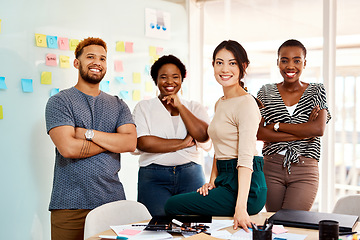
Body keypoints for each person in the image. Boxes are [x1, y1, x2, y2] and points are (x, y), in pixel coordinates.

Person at [164, 40, 267, 232]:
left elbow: (246, 159)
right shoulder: (221, 102)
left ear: (243, 67)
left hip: (247, 187)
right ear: (213, 66)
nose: (225, 68)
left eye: (232, 63)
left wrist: (241, 208)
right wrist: (212, 181)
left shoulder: (246, 104)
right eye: (219, 62)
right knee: (178, 208)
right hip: (225, 179)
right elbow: (219, 147)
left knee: (172, 205)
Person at [45, 37, 137, 240]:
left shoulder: (118, 105)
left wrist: (88, 133)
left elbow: (130, 143)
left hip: (113, 203)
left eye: (102, 59)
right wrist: (113, 142)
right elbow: (68, 148)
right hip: (69, 206)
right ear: (76, 62)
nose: (97, 62)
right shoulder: (59, 102)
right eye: (90, 57)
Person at [256, 39, 331, 212]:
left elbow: (318, 129)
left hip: (305, 168)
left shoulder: (317, 90)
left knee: (293, 223)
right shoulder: (265, 91)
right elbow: (258, 133)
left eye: (297, 60)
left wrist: (276, 126)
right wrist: (305, 130)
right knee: (274, 225)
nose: (290, 66)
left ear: (305, 63)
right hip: (271, 167)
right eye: (284, 60)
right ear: (277, 62)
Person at [132, 55, 211, 216]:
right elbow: (143, 143)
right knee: (157, 230)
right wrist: (183, 143)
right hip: (153, 178)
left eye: (175, 77)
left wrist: (180, 106)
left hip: (191, 175)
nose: (170, 82)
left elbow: (203, 136)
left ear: (182, 79)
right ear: (155, 80)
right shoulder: (144, 107)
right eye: (163, 77)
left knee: (194, 228)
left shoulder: (194, 107)